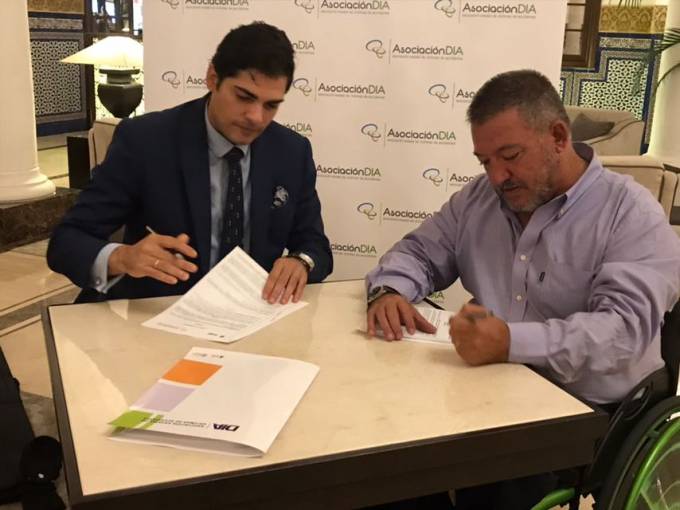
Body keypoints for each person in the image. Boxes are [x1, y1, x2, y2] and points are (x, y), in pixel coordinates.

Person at [365, 69, 680, 509]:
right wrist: (389, 291)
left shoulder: (629, 214)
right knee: (387, 460)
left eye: (510, 156)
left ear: (558, 137)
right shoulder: (478, 200)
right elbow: (418, 251)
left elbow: (622, 333)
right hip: (490, 389)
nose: (497, 176)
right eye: (485, 161)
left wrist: (511, 342)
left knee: (485, 479)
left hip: (583, 410)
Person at [48, 22, 332, 304]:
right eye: (244, 97)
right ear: (212, 77)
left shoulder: (291, 151)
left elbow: (314, 245)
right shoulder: (145, 141)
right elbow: (67, 241)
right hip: (160, 313)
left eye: (271, 105)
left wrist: (301, 262)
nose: (256, 117)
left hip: (253, 312)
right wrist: (122, 257)